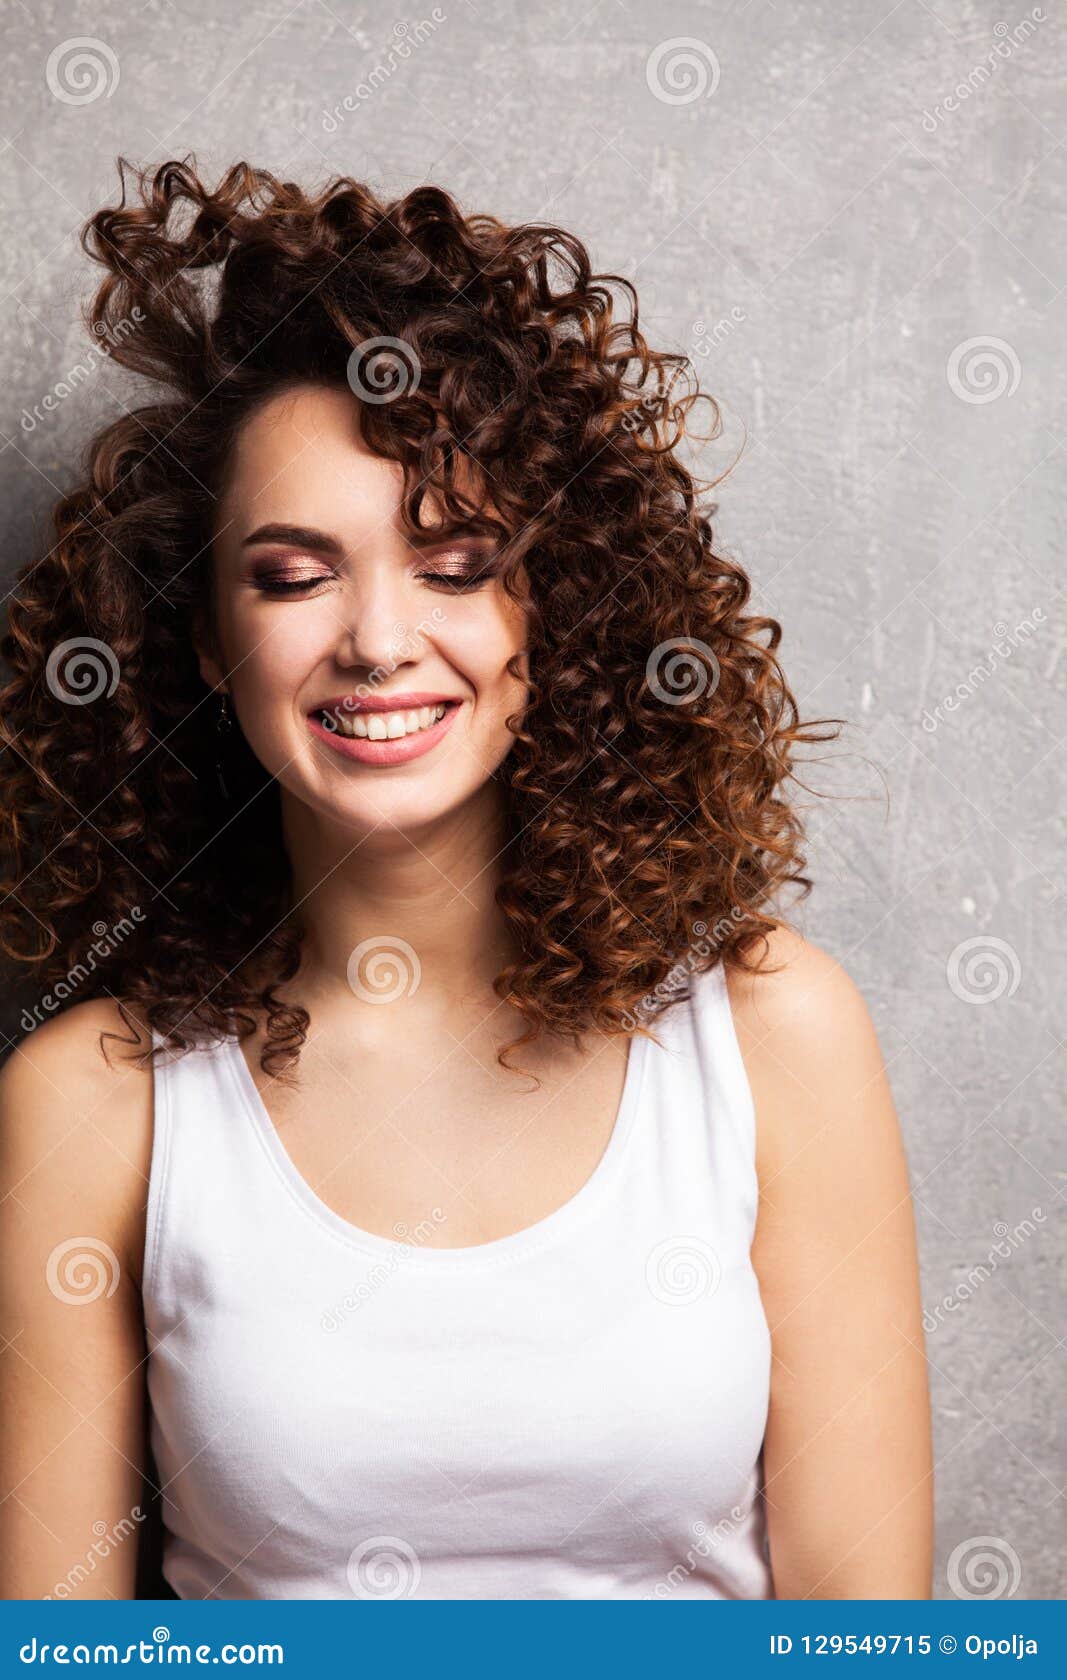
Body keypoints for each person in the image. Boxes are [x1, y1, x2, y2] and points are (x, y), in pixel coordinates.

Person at [0, 160, 932, 1600]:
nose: (377, 639)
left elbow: (871, 1644)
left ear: (550, 607)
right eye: (293, 574)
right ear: (200, 637)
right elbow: (60, 1651)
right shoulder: (95, 1098)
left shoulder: (770, 1035)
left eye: (454, 562)